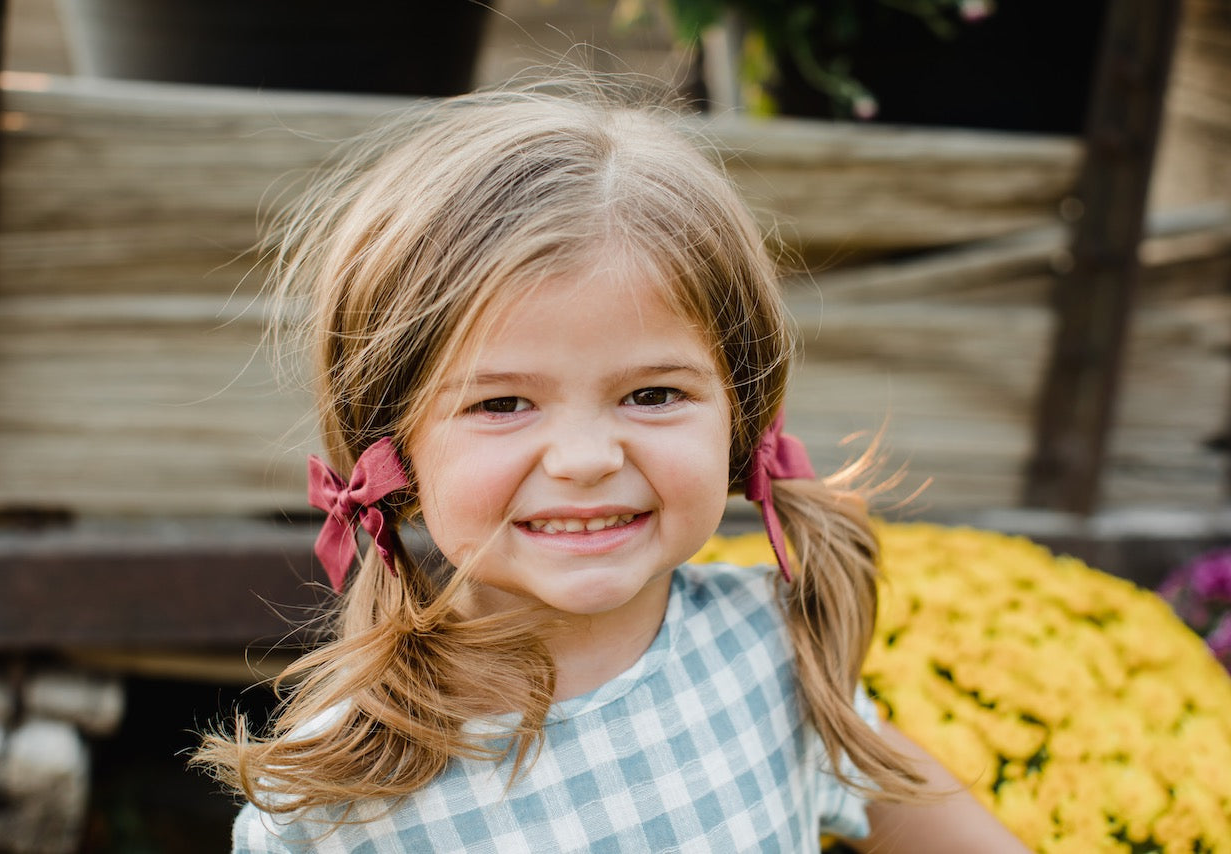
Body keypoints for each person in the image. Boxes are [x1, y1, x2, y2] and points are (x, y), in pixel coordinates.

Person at [195, 80, 1030, 853]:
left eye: (654, 394)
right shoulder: (334, 804)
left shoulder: (770, 647)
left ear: (741, 418)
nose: (588, 460)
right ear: (391, 453)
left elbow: (912, 806)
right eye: (503, 405)